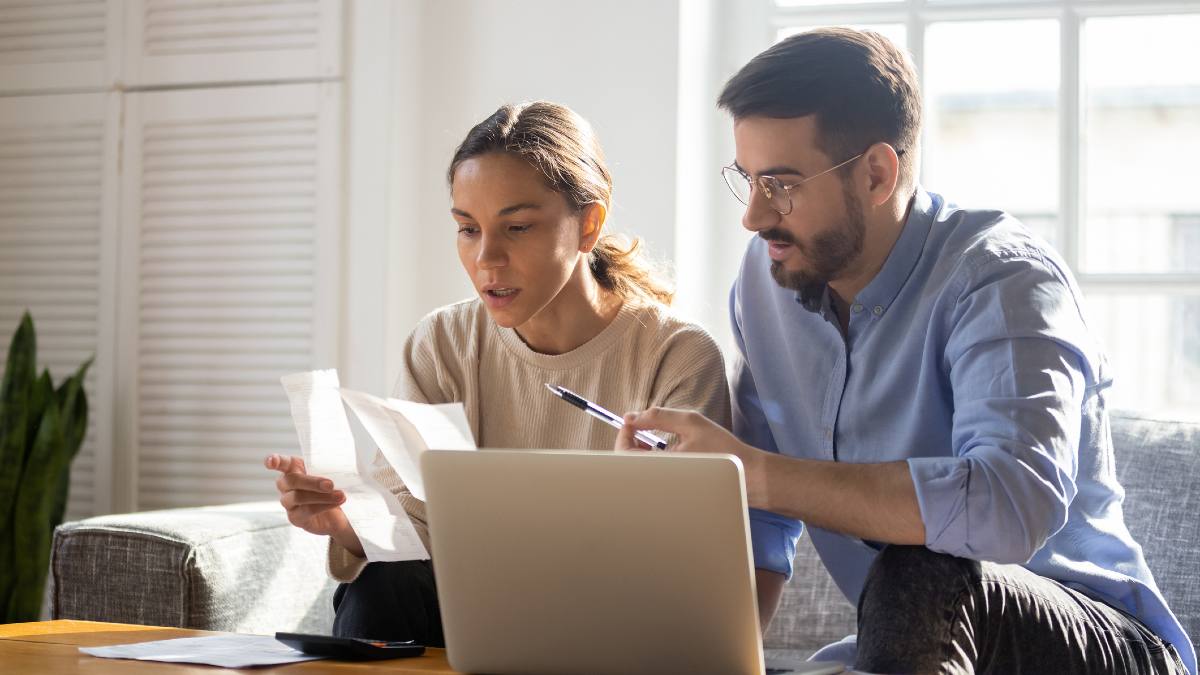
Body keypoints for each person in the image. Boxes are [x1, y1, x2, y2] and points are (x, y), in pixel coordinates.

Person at [617, 28, 1194, 674]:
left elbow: (1008, 503)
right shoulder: (765, 284)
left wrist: (754, 470)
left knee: (922, 564)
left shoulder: (1002, 280)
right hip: (910, 643)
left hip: (1101, 642)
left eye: (779, 184)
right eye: (745, 179)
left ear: (876, 172)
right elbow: (760, 521)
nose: (753, 216)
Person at [265, 101, 731, 647]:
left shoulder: (677, 355)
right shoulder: (441, 343)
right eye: (468, 229)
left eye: (518, 227)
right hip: (472, 621)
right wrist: (342, 523)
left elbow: (686, 571)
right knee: (382, 584)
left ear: (589, 224)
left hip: (613, 624)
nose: (488, 258)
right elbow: (413, 530)